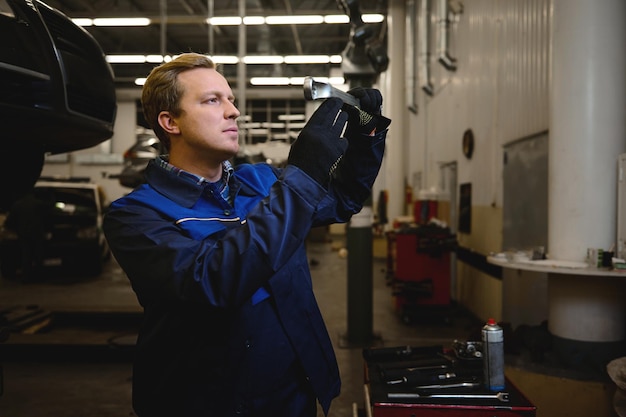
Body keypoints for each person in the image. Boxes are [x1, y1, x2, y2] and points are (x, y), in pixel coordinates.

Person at [103, 52, 391, 417]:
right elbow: (213, 279)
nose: (233, 112)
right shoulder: (135, 215)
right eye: (212, 100)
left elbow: (342, 199)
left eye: (231, 100)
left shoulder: (260, 181)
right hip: (204, 403)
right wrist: (304, 170)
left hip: (294, 395)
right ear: (169, 121)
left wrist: (366, 135)